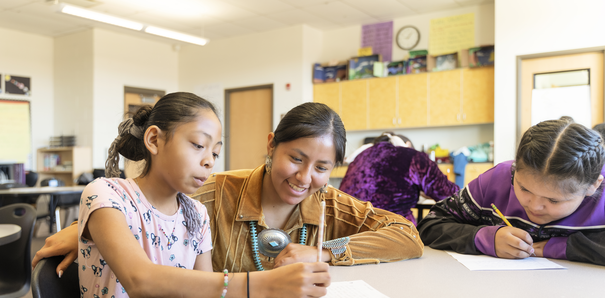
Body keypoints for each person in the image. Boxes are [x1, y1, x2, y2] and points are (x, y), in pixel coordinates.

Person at [71, 92, 331, 298]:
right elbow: (141, 280)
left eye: (215, 152)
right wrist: (262, 285)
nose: (209, 161)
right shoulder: (106, 194)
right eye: (198, 146)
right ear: (154, 139)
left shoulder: (195, 213)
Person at [33, 102, 424, 276]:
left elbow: (407, 235)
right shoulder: (216, 191)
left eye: (322, 167)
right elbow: (141, 205)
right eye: (296, 158)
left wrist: (324, 251)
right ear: (271, 146)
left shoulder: (327, 203)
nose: (305, 177)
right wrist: (84, 230)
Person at [417, 116, 605, 265]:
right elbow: (430, 225)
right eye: (524, 188)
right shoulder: (496, 179)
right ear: (515, 169)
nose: (535, 206)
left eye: (553, 200)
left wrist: (557, 247)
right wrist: (486, 238)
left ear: (593, 186)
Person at [339, 131, 459, 225]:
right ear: (408, 145)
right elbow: (451, 194)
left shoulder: (360, 157)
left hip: (349, 230)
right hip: (394, 231)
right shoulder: (413, 157)